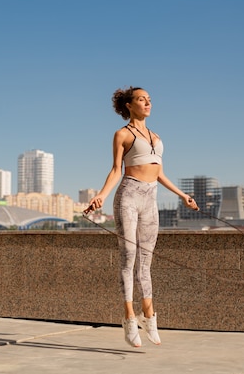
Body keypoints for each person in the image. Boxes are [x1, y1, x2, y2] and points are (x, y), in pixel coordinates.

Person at [85, 86, 200, 347]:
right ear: (128, 104)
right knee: (129, 258)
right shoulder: (122, 134)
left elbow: (158, 172)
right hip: (128, 195)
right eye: (141, 99)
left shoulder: (156, 137)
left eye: (149, 99)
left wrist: (183, 196)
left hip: (150, 198)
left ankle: (149, 315)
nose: (147, 103)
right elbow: (116, 169)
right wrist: (101, 195)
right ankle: (128, 317)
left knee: (146, 263)